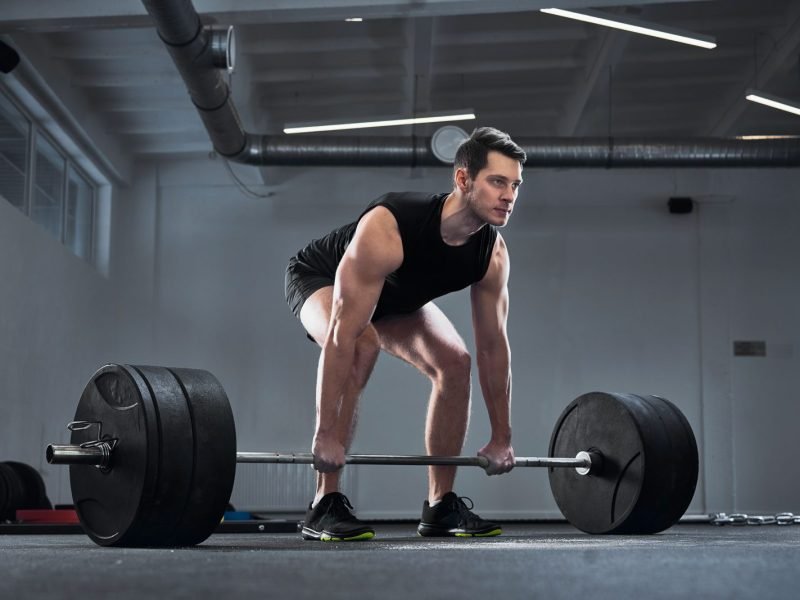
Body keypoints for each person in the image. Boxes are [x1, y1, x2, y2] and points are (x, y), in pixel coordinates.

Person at [285, 127, 526, 541]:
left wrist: (502, 437)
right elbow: (344, 333)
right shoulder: (392, 223)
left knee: (456, 362)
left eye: (516, 185)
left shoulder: (491, 254)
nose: (509, 195)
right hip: (320, 278)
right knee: (362, 343)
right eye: (498, 181)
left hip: (394, 299)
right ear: (464, 180)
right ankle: (324, 502)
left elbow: (492, 348)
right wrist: (324, 436)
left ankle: (439, 506)